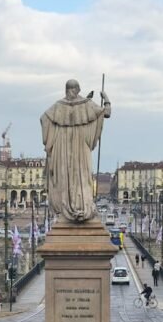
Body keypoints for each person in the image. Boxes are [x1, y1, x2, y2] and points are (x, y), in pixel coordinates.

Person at [40, 79, 111, 222]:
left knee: (64, 177)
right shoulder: (86, 104)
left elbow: (43, 119)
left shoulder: (58, 106)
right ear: (78, 89)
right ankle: (83, 206)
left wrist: (52, 139)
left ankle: (66, 207)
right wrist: (106, 99)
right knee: (83, 176)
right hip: (80, 147)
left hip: (62, 147)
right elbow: (106, 113)